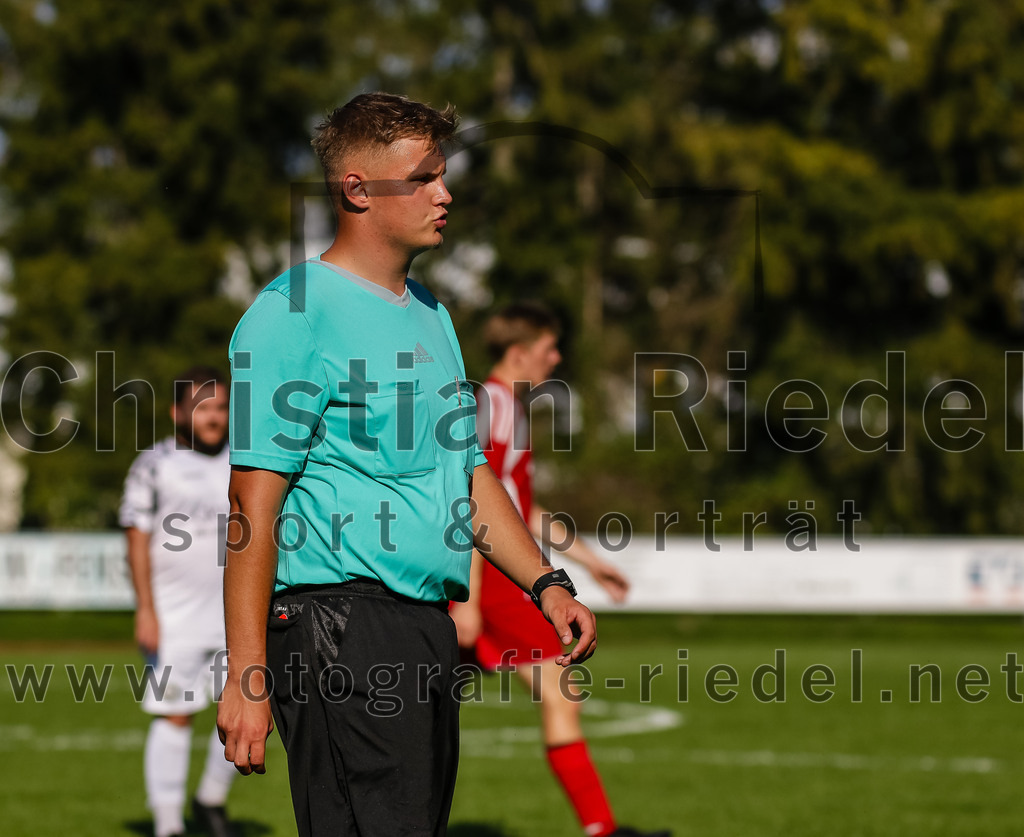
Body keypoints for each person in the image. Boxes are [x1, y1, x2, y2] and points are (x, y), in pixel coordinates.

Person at [216, 92, 597, 837]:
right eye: (423, 177)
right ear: (358, 187)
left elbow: (468, 476)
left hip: (423, 625)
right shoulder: (290, 311)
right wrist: (247, 670)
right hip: (333, 623)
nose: (444, 194)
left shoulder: (432, 313)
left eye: (443, 175)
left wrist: (547, 583)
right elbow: (248, 507)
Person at [449, 303, 671, 837]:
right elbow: (471, 506)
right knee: (558, 693)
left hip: (500, 579)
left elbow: (521, 512)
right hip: (498, 583)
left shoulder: (510, 408)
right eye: (549, 348)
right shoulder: (494, 406)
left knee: (427, 703)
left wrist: (592, 563)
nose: (557, 357)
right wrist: (469, 600)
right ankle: (601, 829)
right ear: (519, 352)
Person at [120, 366, 237, 837]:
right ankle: (168, 826)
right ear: (177, 412)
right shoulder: (154, 464)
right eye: (203, 407)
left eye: (222, 408)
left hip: (237, 618)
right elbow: (136, 537)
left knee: (246, 707)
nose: (214, 418)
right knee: (176, 713)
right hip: (175, 619)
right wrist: (145, 608)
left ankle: (211, 798)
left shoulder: (247, 462)